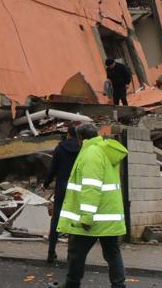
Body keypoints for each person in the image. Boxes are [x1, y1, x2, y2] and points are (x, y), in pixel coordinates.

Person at [51, 123, 128, 288]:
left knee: (76, 252)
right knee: (112, 252)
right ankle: (119, 285)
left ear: (80, 138)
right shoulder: (103, 149)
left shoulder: (91, 153)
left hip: (93, 217)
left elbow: (91, 187)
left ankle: (72, 284)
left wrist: (86, 217)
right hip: (108, 215)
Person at [43, 125, 80, 263]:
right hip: (75, 189)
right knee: (73, 220)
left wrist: (46, 183)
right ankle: (71, 254)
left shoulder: (60, 148)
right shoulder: (82, 149)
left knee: (56, 220)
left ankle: (51, 253)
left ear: (68, 134)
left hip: (61, 188)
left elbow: (52, 169)